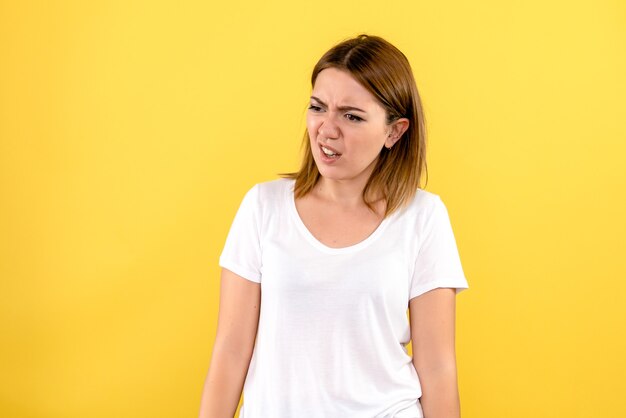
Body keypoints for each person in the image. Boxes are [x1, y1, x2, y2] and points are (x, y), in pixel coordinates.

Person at [198, 34, 469, 418]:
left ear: (395, 131)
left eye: (351, 115)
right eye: (317, 107)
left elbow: (438, 367)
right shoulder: (263, 207)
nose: (326, 129)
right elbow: (230, 349)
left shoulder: (423, 217)